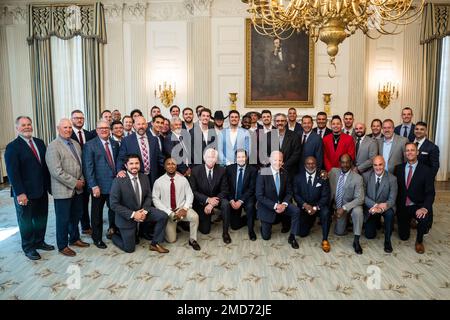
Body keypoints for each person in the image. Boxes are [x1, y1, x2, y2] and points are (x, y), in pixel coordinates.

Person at [5, 116, 54, 260]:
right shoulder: (13, 147)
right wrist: (20, 193)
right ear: (17, 128)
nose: (27, 127)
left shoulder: (39, 143)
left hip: (40, 190)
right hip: (24, 193)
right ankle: (28, 247)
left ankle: (39, 241)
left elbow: (44, 167)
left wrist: (49, 186)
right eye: (23, 125)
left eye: (29, 124)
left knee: (41, 217)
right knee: (26, 221)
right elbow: (12, 172)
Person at [46, 118, 90, 257]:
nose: (68, 130)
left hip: (78, 188)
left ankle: (75, 239)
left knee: (75, 216)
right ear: (58, 129)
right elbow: (56, 171)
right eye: (65, 127)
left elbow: (80, 165)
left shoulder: (76, 144)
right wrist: (74, 182)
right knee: (63, 219)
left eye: (70, 127)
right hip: (63, 190)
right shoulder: (53, 146)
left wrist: (81, 180)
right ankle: (63, 245)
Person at [109, 154, 169, 253]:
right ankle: (113, 235)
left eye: (137, 163)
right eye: (131, 163)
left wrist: (144, 211)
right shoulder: (118, 181)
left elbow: (148, 196)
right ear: (126, 165)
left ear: (140, 164)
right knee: (129, 249)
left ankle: (155, 244)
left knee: (163, 216)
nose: (134, 166)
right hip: (126, 216)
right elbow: (113, 204)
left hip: (142, 210)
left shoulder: (144, 177)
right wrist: (133, 214)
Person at [83, 120, 120, 248]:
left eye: (106, 128)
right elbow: (88, 167)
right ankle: (97, 238)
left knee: (114, 210)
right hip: (98, 186)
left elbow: (117, 162)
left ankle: (114, 231)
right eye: (101, 128)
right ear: (97, 130)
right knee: (97, 214)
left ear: (110, 129)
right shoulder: (90, 145)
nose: (104, 130)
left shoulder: (115, 144)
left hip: (114, 185)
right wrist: (93, 185)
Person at [394, 142, 435, 254]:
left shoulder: (426, 170)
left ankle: (419, 241)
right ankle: (409, 221)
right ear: (405, 153)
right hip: (403, 205)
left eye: (412, 150)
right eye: (407, 150)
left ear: (417, 152)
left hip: (417, 205)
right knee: (403, 237)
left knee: (423, 217)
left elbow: (430, 193)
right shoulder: (398, 169)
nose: (410, 152)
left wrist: (425, 208)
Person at [152, 158, 201, 250]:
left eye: (173, 164)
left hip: (181, 209)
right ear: (164, 166)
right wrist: (169, 212)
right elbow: (155, 200)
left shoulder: (183, 180)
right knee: (171, 240)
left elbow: (190, 195)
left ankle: (193, 240)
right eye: (168, 164)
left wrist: (185, 208)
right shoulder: (158, 182)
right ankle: (172, 227)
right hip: (168, 212)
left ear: (176, 166)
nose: (171, 166)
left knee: (195, 216)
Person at [255, 151, 300, 249]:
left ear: (283, 162)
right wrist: (275, 206)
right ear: (270, 160)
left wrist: (284, 204)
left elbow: (289, 192)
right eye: (275, 160)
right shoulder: (263, 173)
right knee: (266, 237)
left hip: (282, 204)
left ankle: (292, 237)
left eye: (280, 160)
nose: (278, 162)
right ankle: (265, 222)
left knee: (296, 211)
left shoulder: (285, 172)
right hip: (268, 205)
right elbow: (259, 195)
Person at [189, 148, 232, 244]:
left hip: (216, 199)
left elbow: (225, 190)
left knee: (225, 204)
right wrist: (207, 200)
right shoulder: (195, 171)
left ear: (216, 159)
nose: (211, 159)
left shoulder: (222, 170)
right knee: (205, 231)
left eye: (213, 157)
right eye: (208, 157)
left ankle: (225, 232)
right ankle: (207, 217)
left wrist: (212, 204)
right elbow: (193, 191)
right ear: (204, 158)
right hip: (202, 201)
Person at [293, 156, 331, 252]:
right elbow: (296, 195)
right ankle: (310, 220)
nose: (311, 165)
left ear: (316, 164)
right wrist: (305, 205)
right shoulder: (298, 177)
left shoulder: (323, 176)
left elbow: (326, 196)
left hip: (318, 207)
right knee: (302, 233)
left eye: (313, 163)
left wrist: (315, 207)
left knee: (326, 212)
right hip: (305, 207)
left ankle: (325, 239)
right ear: (304, 165)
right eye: (308, 164)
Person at [329, 154, 364, 254]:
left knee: (358, 211)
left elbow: (360, 198)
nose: (345, 165)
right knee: (339, 232)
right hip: (337, 206)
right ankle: (347, 223)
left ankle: (356, 241)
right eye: (343, 162)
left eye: (347, 162)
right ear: (339, 163)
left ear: (351, 163)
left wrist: (344, 208)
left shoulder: (357, 178)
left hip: (350, 206)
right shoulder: (333, 172)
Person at [116, 116, 164, 189]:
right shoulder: (126, 140)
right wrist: (120, 170)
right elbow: (121, 158)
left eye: (143, 124)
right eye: (138, 124)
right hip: (135, 176)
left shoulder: (154, 140)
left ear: (147, 125)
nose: (141, 126)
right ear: (134, 126)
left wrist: (170, 168)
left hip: (152, 177)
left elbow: (160, 158)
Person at [363, 156, 397, 253]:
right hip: (372, 207)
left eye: (380, 164)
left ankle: (387, 241)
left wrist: (382, 208)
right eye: (375, 165)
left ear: (384, 164)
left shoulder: (392, 179)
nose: (378, 167)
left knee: (390, 214)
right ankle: (376, 221)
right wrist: (374, 206)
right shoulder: (366, 176)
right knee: (369, 235)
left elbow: (392, 199)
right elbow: (363, 196)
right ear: (372, 166)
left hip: (385, 206)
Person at [70, 109, 96, 235]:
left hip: (89, 174)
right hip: (75, 176)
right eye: (76, 118)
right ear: (72, 120)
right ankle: (76, 231)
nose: (79, 120)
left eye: (81, 118)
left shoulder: (89, 134)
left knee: (86, 201)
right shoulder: (68, 135)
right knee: (77, 204)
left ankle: (86, 226)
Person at [225, 149, 258, 240]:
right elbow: (226, 187)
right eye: (239, 157)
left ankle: (251, 230)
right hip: (233, 198)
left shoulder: (253, 170)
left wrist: (241, 200)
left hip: (246, 198)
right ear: (235, 158)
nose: (241, 159)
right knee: (234, 226)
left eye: (243, 157)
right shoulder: (229, 169)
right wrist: (231, 200)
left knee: (250, 207)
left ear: (246, 157)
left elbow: (251, 189)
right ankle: (248, 218)